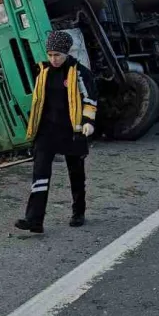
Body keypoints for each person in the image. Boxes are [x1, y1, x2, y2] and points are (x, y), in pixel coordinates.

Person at [16, 31, 97, 234]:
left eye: (57, 55)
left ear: (66, 53)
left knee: (76, 174)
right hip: (47, 131)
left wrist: (88, 122)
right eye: (50, 54)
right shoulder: (43, 72)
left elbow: (90, 101)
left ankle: (78, 212)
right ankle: (34, 220)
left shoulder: (80, 73)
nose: (53, 59)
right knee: (40, 173)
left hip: (72, 131)